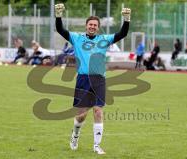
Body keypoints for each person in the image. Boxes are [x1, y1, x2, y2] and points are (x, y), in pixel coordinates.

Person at [55, 3, 131, 154]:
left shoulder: (104, 39)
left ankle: (96, 146)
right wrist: (58, 16)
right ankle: (75, 136)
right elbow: (60, 30)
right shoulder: (76, 38)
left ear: (98, 27)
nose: (92, 27)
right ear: (86, 26)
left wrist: (127, 20)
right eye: (90, 24)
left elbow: (122, 34)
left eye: (95, 25)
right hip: (83, 79)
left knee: (98, 111)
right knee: (81, 115)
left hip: (99, 79)